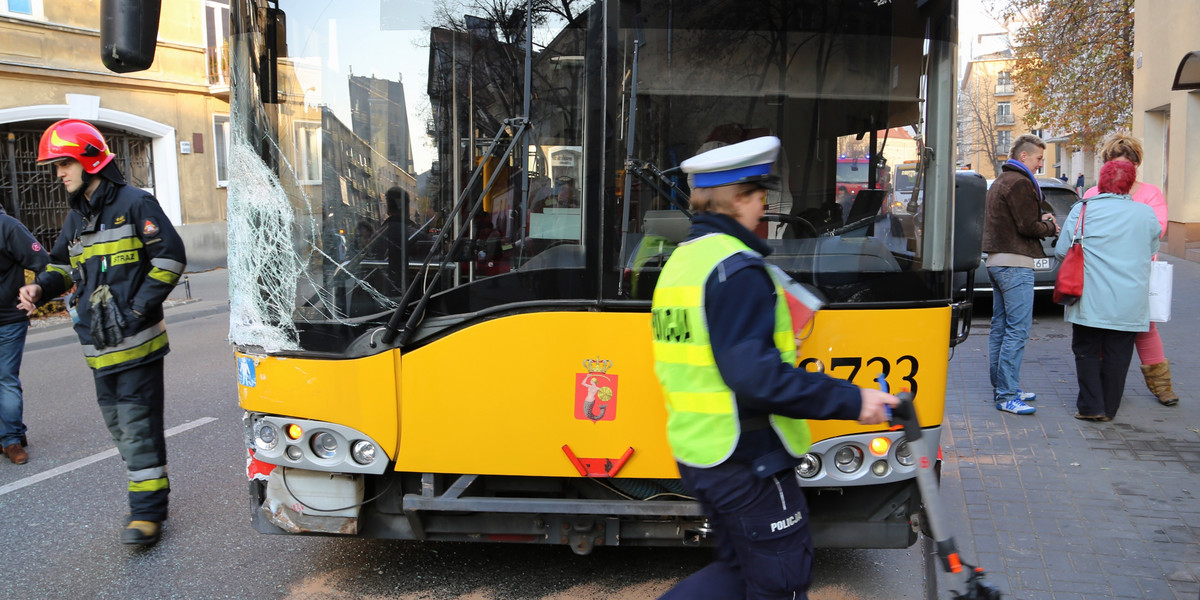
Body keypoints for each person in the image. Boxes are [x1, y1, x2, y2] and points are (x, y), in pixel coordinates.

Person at [650, 136, 898, 599]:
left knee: (741, 573)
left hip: (702, 453)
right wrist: (854, 399)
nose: (764, 208)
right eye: (760, 196)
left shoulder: (683, 263)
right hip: (749, 458)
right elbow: (755, 377)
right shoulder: (737, 270)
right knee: (781, 583)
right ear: (739, 198)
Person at [18, 119, 187, 545]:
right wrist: (40, 287)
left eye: (64, 163)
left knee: (135, 423)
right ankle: (154, 490)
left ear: (90, 160)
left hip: (137, 344)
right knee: (119, 425)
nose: (59, 173)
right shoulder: (77, 217)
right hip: (99, 349)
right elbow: (60, 266)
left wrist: (135, 309)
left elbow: (170, 259)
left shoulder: (135, 203)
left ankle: (146, 515)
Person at [1056, 160, 1160, 421]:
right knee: (1119, 353)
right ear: (1130, 184)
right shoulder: (1146, 214)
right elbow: (1151, 249)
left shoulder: (1083, 210)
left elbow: (1061, 251)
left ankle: (1091, 407)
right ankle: (1110, 408)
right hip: (1130, 301)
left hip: (1089, 298)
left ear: (1101, 182)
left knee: (1087, 350)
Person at [1082, 134, 1179, 406]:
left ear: (1137, 165)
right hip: (1100, 273)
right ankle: (1104, 387)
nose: (1120, 170)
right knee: (1099, 327)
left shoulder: (1149, 193)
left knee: (1145, 329)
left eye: (1127, 165)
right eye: (1114, 164)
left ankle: (1162, 386)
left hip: (1138, 273)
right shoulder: (1092, 194)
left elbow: (1158, 229)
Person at [982, 133, 1059, 415]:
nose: (1041, 163)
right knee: (1017, 330)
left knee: (1000, 329)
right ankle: (1006, 395)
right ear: (1024, 156)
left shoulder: (1001, 181)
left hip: (996, 261)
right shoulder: (1021, 182)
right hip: (1015, 264)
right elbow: (1028, 226)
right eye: (1039, 158)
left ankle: (1006, 387)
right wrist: (1050, 227)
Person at [0, 212, 50, 464]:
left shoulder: (7, 226)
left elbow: (43, 262)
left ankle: (11, 440)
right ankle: (12, 432)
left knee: (5, 377)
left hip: (8, 319)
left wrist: (35, 294)